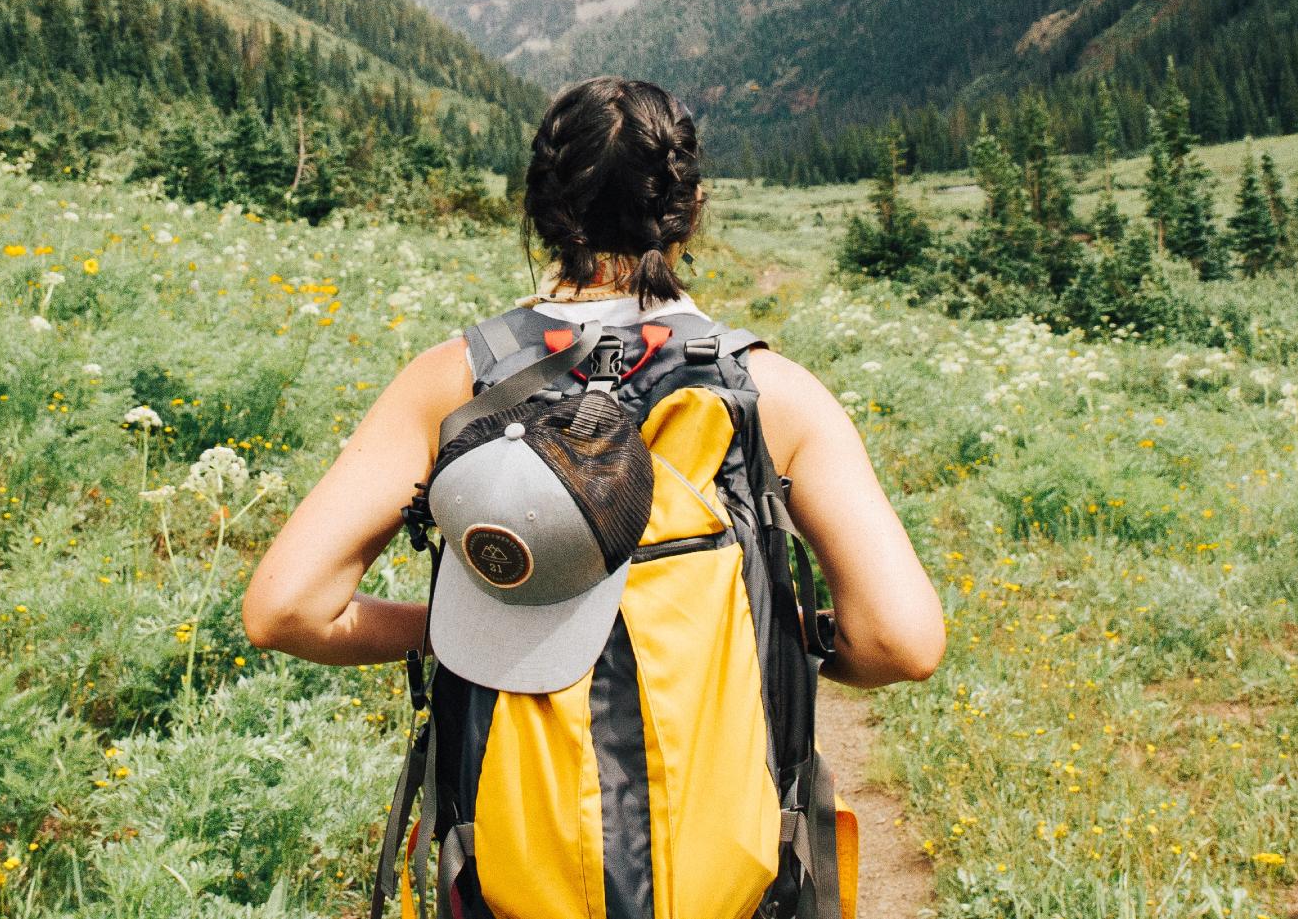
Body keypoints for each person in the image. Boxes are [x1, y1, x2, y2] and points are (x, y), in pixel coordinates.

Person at [241, 76, 943, 916]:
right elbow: (904, 642)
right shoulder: (770, 393)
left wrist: (463, 626)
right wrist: (788, 636)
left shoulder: (454, 384)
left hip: (516, 885)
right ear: (689, 210)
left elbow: (285, 608)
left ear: (540, 209)